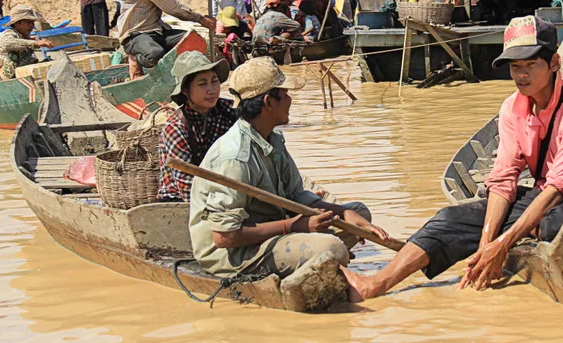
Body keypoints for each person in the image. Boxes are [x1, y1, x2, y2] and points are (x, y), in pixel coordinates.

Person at [342, 16, 563, 301]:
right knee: (450, 218)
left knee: (555, 225)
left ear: (554, 64)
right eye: (515, 67)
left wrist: (502, 244)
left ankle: (518, 246)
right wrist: (485, 243)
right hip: (545, 194)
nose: (521, 75)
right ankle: (376, 284)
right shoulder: (511, 109)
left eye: (531, 65)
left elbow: (557, 191)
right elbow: (504, 180)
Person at [188, 56, 390, 279]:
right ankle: (316, 260)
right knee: (331, 248)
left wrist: (343, 212)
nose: (290, 100)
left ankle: (313, 259)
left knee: (359, 212)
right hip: (232, 253)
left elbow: (295, 194)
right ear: (269, 102)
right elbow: (224, 237)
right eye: (285, 95)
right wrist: (294, 226)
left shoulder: (272, 139)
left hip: (271, 228)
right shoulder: (235, 158)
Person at [157, 51, 237, 202]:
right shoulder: (175, 128)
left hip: (225, 191)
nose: (211, 89)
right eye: (202, 84)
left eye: (214, 81)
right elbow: (186, 186)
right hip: (180, 199)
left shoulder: (229, 114)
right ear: (186, 90)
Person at [117, 0, 217, 79]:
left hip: (157, 30)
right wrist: (201, 19)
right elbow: (174, 8)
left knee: (193, 39)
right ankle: (136, 59)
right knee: (154, 54)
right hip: (136, 34)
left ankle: (181, 75)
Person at [0, 6, 54, 82]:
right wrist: (36, 43)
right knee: (14, 54)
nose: (32, 26)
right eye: (29, 22)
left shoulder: (24, 36)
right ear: (17, 23)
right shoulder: (8, 34)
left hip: (16, 75)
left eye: (32, 23)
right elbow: (9, 43)